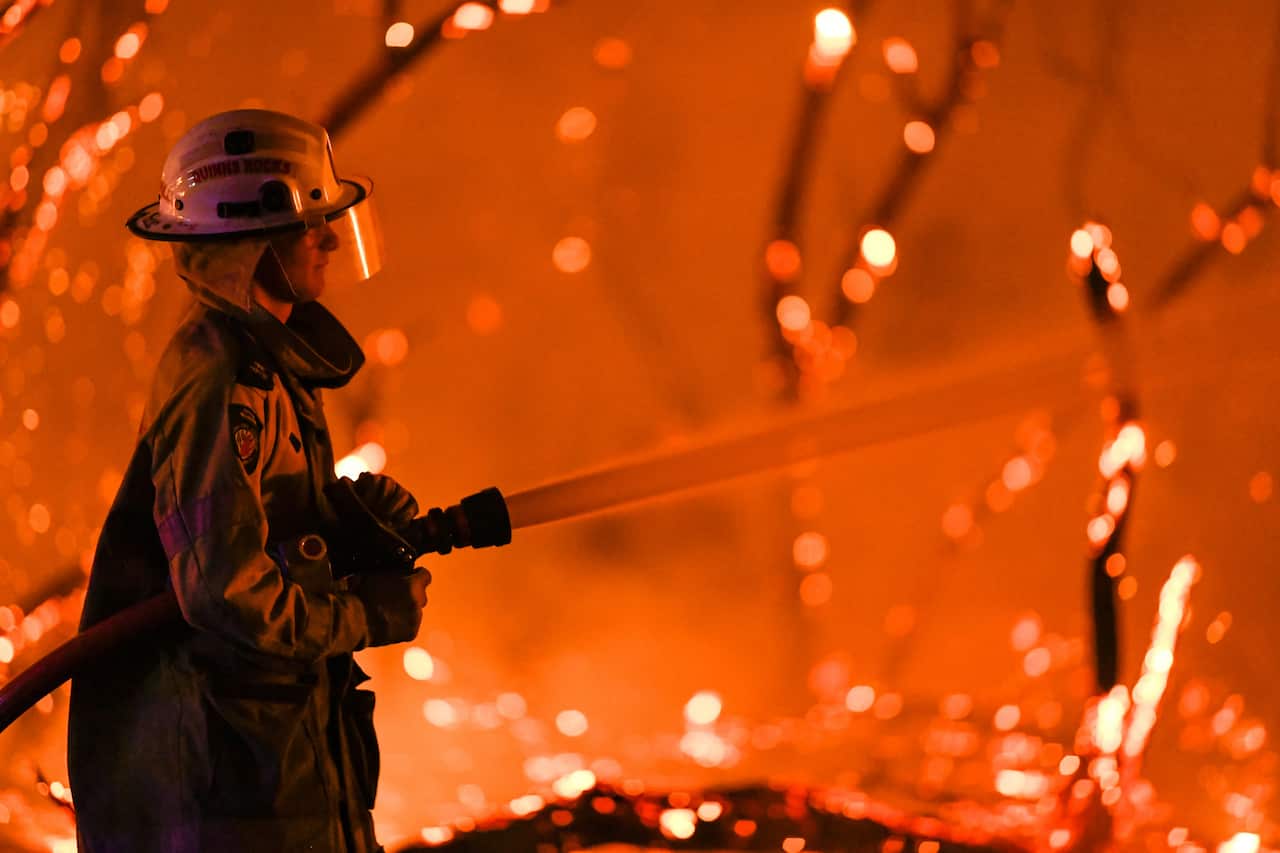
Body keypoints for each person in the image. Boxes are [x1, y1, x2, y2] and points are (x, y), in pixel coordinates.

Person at [67, 109, 429, 852]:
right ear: (251, 241)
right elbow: (228, 592)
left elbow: (261, 530)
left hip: (275, 750)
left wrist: (342, 517)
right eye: (310, 225)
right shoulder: (218, 379)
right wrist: (368, 615)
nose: (329, 238)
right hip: (228, 771)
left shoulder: (267, 364)